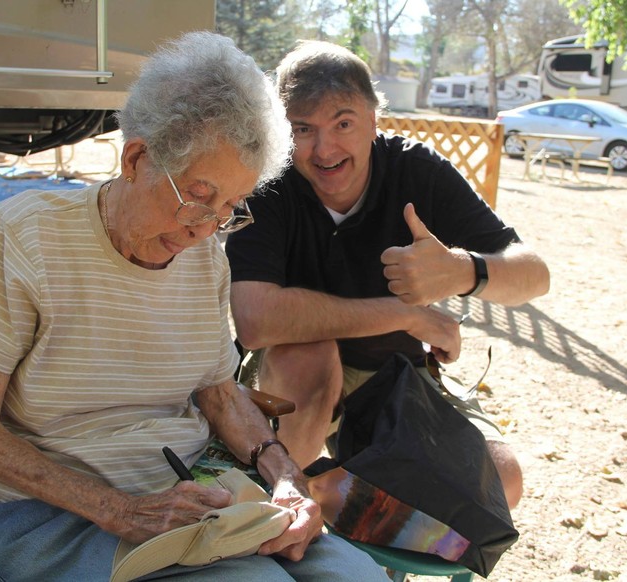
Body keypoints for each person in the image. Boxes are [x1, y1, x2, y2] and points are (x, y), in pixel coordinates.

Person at [0, 32, 386, 581]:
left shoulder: (206, 260)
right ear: (137, 158)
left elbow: (218, 394)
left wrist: (284, 475)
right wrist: (119, 510)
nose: (204, 229)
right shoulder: (27, 236)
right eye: (198, 196)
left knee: (358, 576)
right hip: (41, 512)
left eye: (230, 208)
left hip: (180, 491)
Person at [225, 40, 551, 510]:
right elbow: (256, 319)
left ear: (375, 120)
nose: (324, 149)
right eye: (303, 128)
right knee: (309, 360)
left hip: (394, 373)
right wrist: (406, 315)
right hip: (294, 375)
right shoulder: (270, 182)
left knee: (500, 484)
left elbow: (535, 274)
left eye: (343, 123)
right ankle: (277, 508)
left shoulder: (416, 171)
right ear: (282, 130)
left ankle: (323, 493)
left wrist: (464, 270)